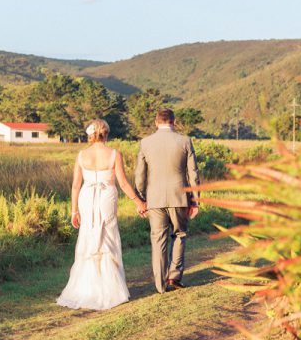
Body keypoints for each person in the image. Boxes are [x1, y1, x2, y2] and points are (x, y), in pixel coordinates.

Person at [57, 119, 147, 310]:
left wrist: (74, 210)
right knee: (107, 235)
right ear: (106, 133)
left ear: (90, 134)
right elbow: (123, 183)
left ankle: (86, 289)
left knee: (89, 234)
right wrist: (138, 202)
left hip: (87, 197)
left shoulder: (82, 155)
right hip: (106, 195)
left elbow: (75, 185)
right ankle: (110, 289)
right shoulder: (114, 154)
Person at [135, 109, 201, 293]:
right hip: (179, 196)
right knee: (180, 234)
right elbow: (193, 173)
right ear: (174, 122)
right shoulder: (185, 141)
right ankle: (174, 276)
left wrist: (141, 198)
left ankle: (160, 285)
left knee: (158, 240)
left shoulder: (145, 143)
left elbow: (140, 174)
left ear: (156, 122)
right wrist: (195, 200)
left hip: (154, 198)